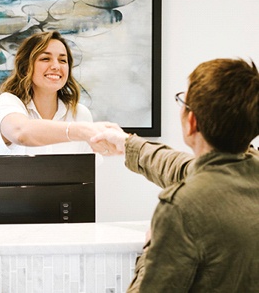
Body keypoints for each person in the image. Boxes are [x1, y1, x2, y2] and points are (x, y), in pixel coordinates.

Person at [91, 58, 259, 292]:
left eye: (183, 102)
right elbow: (183, 167)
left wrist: (152, 244)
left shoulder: (180, 208)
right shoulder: (248, 169)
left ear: (191, 122)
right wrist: (128, 143)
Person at [0, 30, 120, 156]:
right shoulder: (8, 102)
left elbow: (85, 171)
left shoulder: (81, 114)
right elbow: (20, 133)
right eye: (45, 58)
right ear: (26, 67)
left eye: (63, 60)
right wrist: (81, 131)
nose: (56, 66)